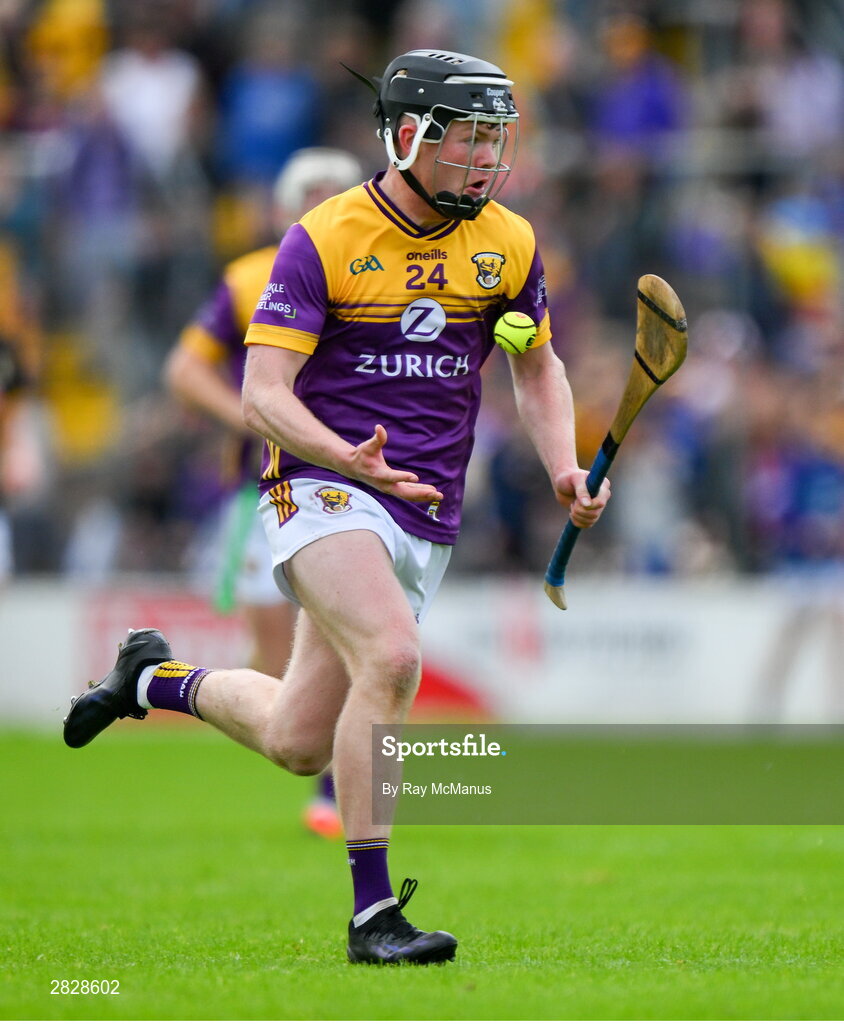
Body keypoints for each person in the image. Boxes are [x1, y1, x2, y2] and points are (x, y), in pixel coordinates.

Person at [63, 48, 610, 965]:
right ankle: (372, 917)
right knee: (393, 660)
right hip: (320, 485)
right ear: (405, 137)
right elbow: (263, 394)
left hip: (422, 507)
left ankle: (149, 681)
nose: (485, 161)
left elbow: (539, 365)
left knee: (296, 740)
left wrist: (564, 466)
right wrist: (341, 455)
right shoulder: (324, 237)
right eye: (466, 141)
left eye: (493, 142)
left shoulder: (508, 241)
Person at [163, 147, 363, 841]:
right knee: (278, 654)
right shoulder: (251, 278)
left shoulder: (376, 272)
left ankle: (338, 784)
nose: (323, 204)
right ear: (282, 210)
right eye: (310, 193)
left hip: (346, 485)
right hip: (259, 491)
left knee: (354, 636)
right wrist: (249, 411)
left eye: (335, 192)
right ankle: (313, 754)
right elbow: (185, 368)